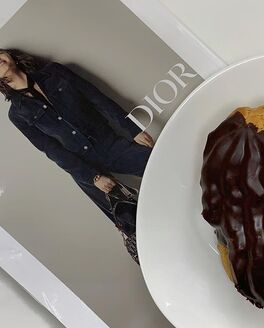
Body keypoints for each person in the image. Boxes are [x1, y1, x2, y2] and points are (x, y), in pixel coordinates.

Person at [0, 48, 154, 263]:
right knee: (130, 222)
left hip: (109, 144)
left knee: (159, 167)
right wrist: (92, 177)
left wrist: (132, 129)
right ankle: (156, 258)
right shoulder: (17, 114)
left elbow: (98, 99)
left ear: (9, 55)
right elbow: (51, 150)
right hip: (83, 167)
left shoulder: (55, 72)